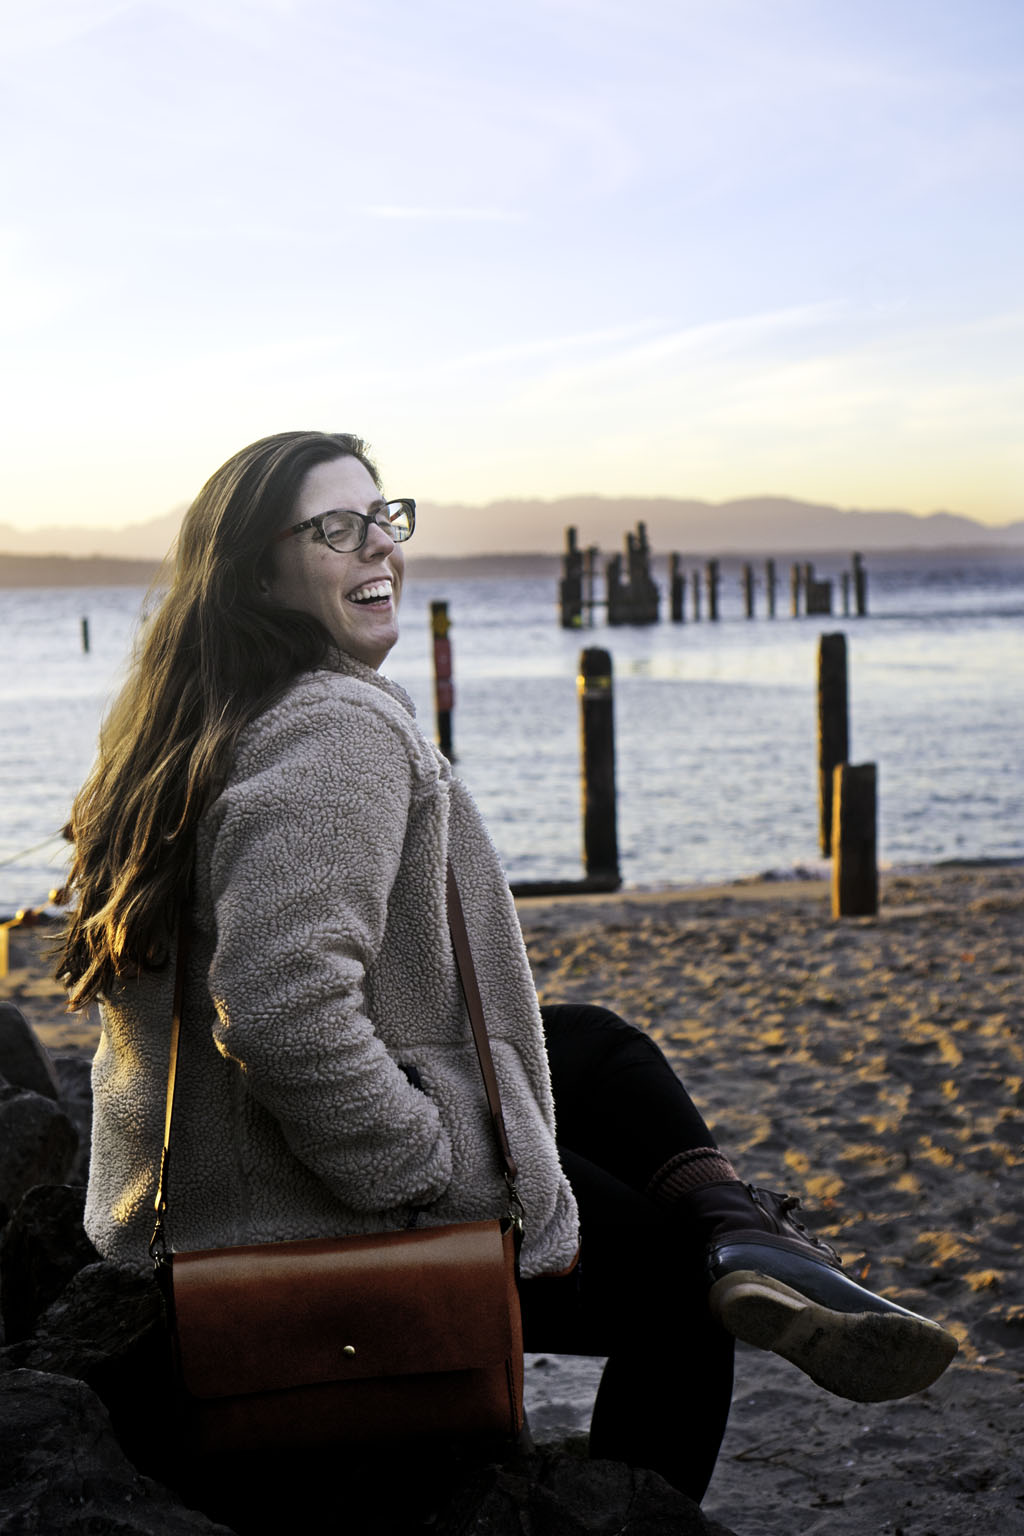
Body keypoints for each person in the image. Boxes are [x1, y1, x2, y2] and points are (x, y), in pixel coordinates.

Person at [60, 430, 956, 1510]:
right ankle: (697, 1327)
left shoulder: (195, 718)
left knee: (591, 1044)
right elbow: (280, 1009)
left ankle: (746, 1237)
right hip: (290, 1216)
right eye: (332, 532)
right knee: (670, 1294)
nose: (375, 548)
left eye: (383, 518)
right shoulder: (333, 729)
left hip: (191, 1181)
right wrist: (418, 1165)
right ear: (259, 572)